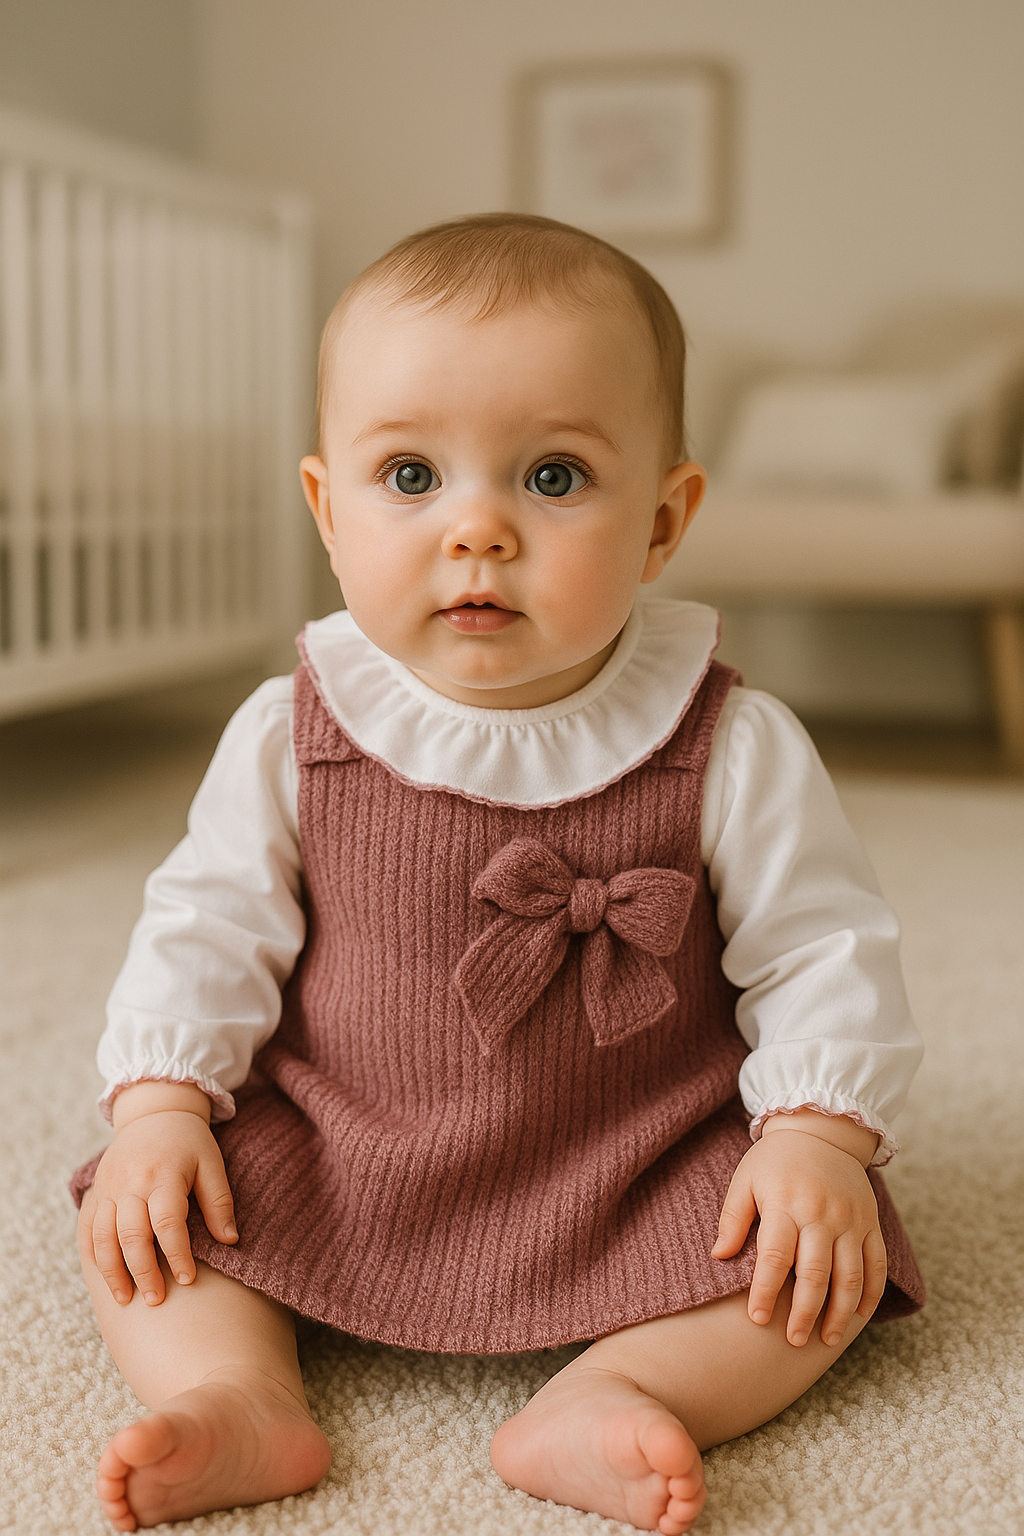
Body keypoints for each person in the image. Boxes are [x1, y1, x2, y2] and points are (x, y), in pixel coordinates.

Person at [71, 213, 925, 1535]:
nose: (476, 528)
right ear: (326, 511)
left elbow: (825, 950)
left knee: (825, 1258)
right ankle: (241, 1390)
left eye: (555, 478)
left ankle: (621, 1386)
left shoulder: (729, 739)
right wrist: (163, 1106)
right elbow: (206, 926)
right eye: (409, 477)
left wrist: (812, 1135)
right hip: (345, 1141)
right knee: (146, 1221)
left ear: (663, 519)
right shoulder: (290, 732)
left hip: (640, 1156)